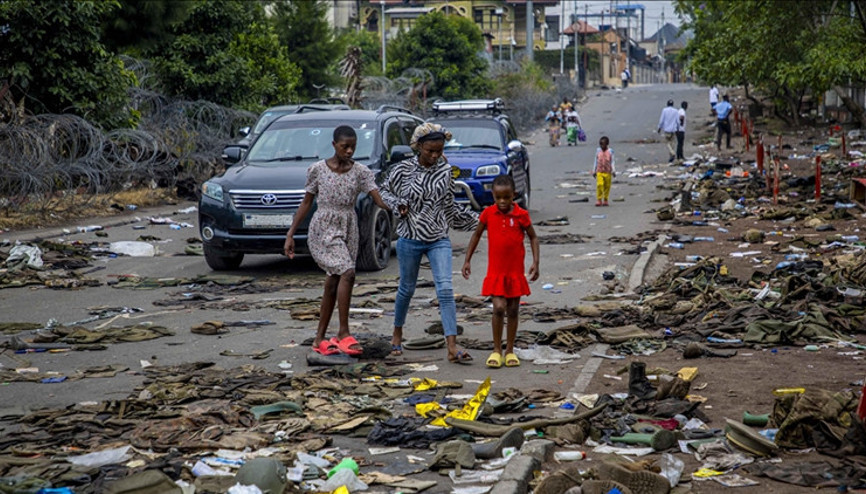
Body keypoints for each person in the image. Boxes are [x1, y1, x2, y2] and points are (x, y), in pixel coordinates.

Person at [284, 125, 391, 356]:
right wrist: (291, 233)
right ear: (334, 145)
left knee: (333, 280)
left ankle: (319, 338)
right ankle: (343, 331)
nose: (350, 151)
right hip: (323, 227)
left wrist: (396, 206)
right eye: (345, 146)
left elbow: (378, 198)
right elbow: (306, 202)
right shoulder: (318, 170)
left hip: (348, 227)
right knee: (347, 272)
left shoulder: (361, 172)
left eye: (353, 146)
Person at [379, 123, 479, 364]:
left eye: (439, 151)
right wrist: (397, 205)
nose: (434, 155)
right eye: (430, 151)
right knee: (407, 289)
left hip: (438, 238)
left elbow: (449, 206)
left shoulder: (445, 171)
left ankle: (452, 346)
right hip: (409, 238)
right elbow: (383, 193)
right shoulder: (402, 170)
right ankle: (397, 333)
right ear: (419, 146)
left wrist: (480, 222)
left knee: (445, 289)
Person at [462, 174, 540, 369]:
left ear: (514, 195)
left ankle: (510, 350)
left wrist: (535, 262)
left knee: (513, 310)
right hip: (496, 272)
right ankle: (496, 350)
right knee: (498, 308)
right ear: (493, 196)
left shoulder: (521, 215)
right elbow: (477, 234)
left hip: (515, 272)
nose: (503, 202)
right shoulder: (488, 214)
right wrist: (467, 260)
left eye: (507, 197)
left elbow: (533, 237)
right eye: (498, 198)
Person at [592, 136, 616, 207]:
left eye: (604, 144)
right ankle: (599, 199)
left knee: (607, 186)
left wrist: (613, 171)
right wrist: (594, 171)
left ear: (607, 144)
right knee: (600, 184)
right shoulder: (598, 151)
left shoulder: (610, 152)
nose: (602, 146)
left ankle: (605, 199)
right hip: (599, 171)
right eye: (601, 145)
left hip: (607, 172)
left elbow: (612, 162)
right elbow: (596, 161)